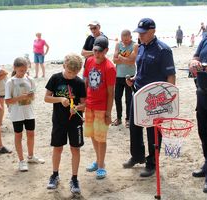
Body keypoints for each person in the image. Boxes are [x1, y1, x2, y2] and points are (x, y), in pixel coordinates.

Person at [123, 18, 176, 177]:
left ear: (152, 31)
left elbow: (170, 76)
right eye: (138, 33)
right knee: (134, 126)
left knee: (153, 132)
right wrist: (133, 79)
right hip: (138, 92)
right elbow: (141, 70)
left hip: (155, 99)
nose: (140, 36)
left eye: (143, 33)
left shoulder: (163, 50)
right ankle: (137, 156)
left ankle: (152, 163)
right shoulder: (140, 47)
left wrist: (168, 101)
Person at [45, 53, 86, 194]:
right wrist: (60, 99)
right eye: (69, 72)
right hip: (59, 121)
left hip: (75, 122)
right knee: (57, 148)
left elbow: (84, 104)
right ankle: (54, 175)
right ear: (64, 66)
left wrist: (78, 108)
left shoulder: (79, 83)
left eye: (74, 73)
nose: (71, 75)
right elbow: (46, 98)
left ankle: (74, 178)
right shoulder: (55, 78)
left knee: (75, 149)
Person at [189, 9, 207, 193]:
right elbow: (196, 56)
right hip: (201, 94)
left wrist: (205, 67)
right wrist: (193, 63)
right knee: (203, 133)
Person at [84, 36, 116, 179]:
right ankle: (98, 161)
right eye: (95, 50)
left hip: (101, 108)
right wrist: (83, 102)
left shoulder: (109, 67)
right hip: (89, 105)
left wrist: (108, 113)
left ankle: (102, 166)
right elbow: (85, 82)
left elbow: (111, 93)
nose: (97, 54)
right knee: (92, 135)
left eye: (100, 51)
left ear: (106, 51)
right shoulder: (89, 61)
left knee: (101, 138)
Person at [5, 57, 44, 171]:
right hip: (16, 113)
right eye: (21, 70)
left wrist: (31, 96)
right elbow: (7, 101)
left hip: (29, 112)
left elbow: (33, 95)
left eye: (25, 70)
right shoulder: (10, 82)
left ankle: (31, 156)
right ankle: (21, 161)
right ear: (15, 68)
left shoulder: (30, 79)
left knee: (31, 134)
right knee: (18, 135)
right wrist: (20, 97)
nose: (23, 73)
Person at [112, 29, 138, 128]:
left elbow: (132, 61)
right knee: (117, 98)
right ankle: (119, 118)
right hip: (118, 75)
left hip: (130, 76)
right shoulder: (118, 45)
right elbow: (114, 60)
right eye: (123, 40)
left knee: (128, 99)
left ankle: (128, 119)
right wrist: (125, 59)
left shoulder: (135, 45)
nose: (125, 42)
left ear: (130, 38)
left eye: (127, 40)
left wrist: (121, 58)